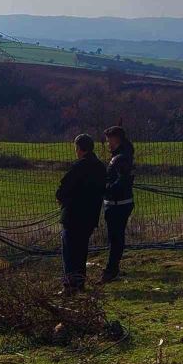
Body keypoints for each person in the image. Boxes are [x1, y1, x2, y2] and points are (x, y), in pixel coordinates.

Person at [55, 134, 106, 294]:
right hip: (90, 216)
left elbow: (63, 189)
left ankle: (70, 285)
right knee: (81, 250)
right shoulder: (100, 167)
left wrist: (62, 198)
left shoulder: (79, 166)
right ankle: (80, 282)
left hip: (73, 215)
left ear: (79, 149)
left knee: (70, 251)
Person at [101, 126, 135, 284]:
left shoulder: (120, 158)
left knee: (115, 238)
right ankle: (112, 267)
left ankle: (111, 269)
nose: (107, 144)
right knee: (116, 238)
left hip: (117, 204)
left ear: (115, 139)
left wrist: (105, 189)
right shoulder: (124, 154)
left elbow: (121, 182)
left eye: (109, 140)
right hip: (120, 202)